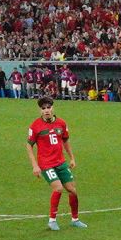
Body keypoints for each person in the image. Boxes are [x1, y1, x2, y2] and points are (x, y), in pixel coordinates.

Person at [26, 96, 84, 230]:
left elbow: (66, 141)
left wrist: (72, 158)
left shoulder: (62, 123)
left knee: (72, 190)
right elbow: (29, 145)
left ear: (53, 108)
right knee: (58, 188)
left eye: (48, 107)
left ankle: (75, 219)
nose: (46, 110)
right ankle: (52, 220)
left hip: (61, 163)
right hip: (46, 165)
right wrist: (35, 166)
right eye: (43, 108)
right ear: (40, 110)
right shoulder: (35, 126)